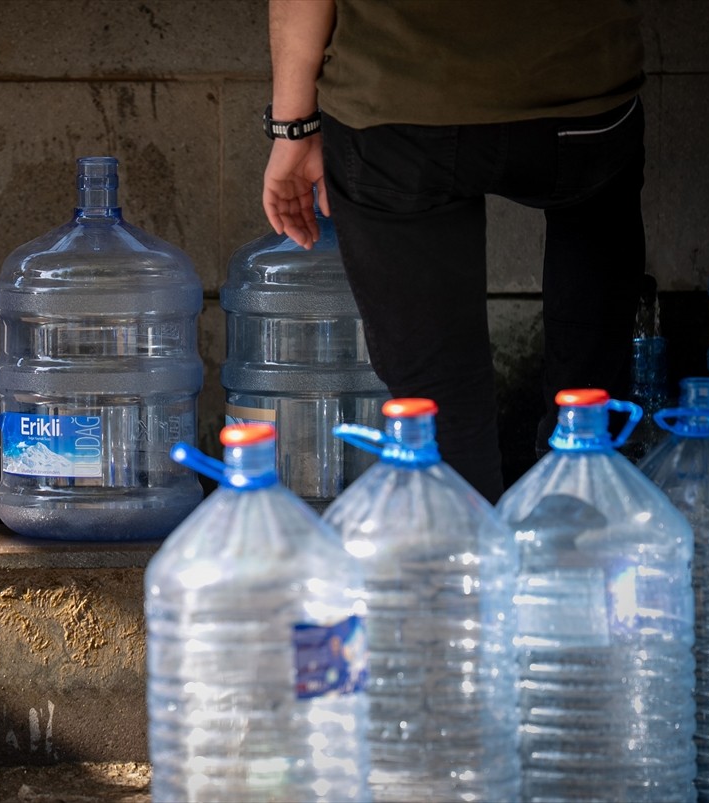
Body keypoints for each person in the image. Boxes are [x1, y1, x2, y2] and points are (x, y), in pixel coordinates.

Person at [262, 0, 646, 502]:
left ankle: (465, 555)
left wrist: (294, 127)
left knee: (442, 402)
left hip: (398, 103)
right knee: (592, 365)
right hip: (584, 98)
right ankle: (581, 505)